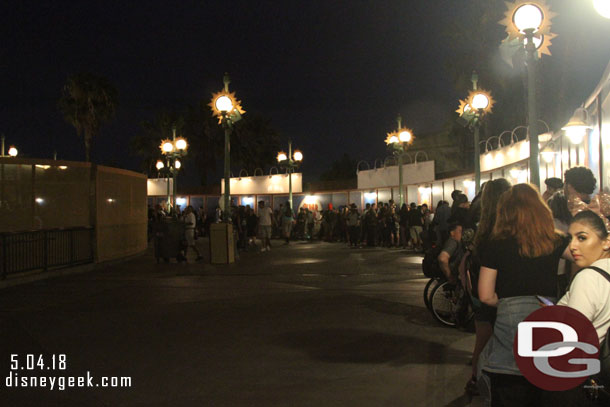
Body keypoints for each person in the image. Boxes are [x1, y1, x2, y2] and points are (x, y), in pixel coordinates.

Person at [478, 184, 572, 405]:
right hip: (547, 314)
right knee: (544, 378)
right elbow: (584, 256)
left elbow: (484, 294)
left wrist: (505, 303)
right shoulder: (556, 240)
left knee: (509, 383)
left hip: (510, 316)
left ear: (506, 212)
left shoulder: (496, 244)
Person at [556, 210, 610, 406]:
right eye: (570, 238)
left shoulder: (588, 277)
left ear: (607, 241)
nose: (572, 246)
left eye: (582, 238)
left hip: (582, 380)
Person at [464, 178, 511, 396]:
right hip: (498, 292)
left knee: (481, 340)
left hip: (478, 292)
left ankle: (475, 379)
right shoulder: (505, 229)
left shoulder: (482, 227)